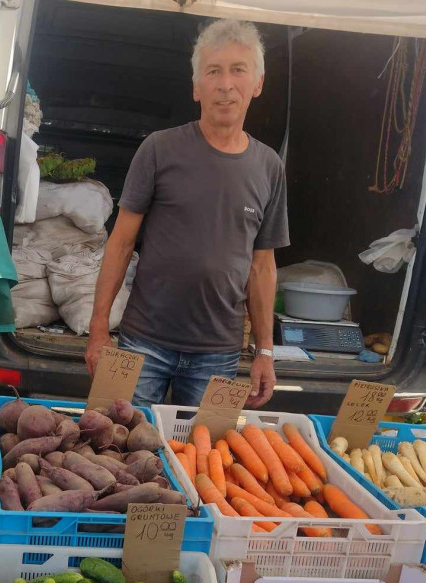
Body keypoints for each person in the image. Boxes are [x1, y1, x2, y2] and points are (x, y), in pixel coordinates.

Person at [84, 19, 288, 409]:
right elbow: (121, 242)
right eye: (213, 71)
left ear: (257, 84)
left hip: (220, 356)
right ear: (196, 87)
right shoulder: (159, 149)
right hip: (141, 344)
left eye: (238, 70)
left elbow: (262, 266)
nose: (225, 84)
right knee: (112, 452)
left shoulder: (269, 166)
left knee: (200, 461)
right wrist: (98, 330)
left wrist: (264, 352)